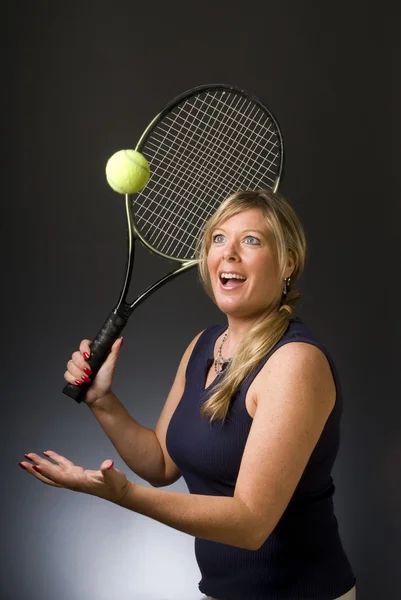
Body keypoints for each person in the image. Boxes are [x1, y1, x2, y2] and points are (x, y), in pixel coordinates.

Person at [19, 189, 357, 600]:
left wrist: (124, 495)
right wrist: (102, 401)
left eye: (251, 240)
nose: (229, 253)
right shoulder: (205, 344)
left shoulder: (294, 362)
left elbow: (251, 523)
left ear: (287, 262)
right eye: (218, 238)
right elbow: (161, 462)